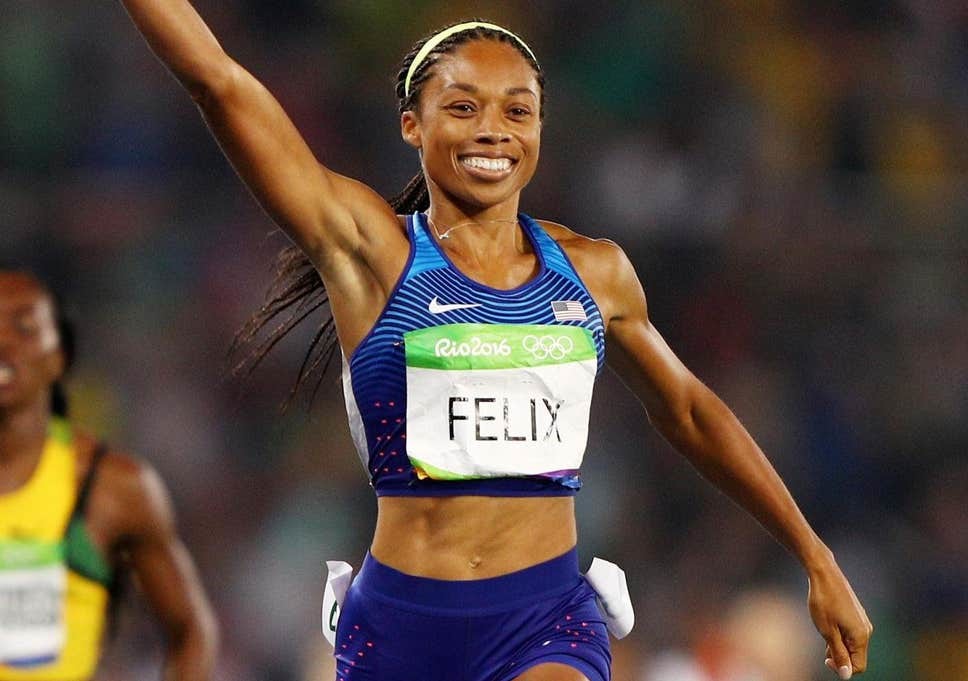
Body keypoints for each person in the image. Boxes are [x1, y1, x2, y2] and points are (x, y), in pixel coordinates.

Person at [115, 4, 873, 680]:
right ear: (412, 125)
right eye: (462, 106)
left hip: (545, 621)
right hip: (399, 628)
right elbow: (218, 83)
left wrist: (815, 554)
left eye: (518, 110)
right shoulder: (373, 255)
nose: (493, 130)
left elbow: (691, 411)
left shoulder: (595, 274)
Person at [0, 270, 218, 681]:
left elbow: (190, 631)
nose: (3, 343)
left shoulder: (110, 487)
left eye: (24, 327)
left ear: (59, 356)